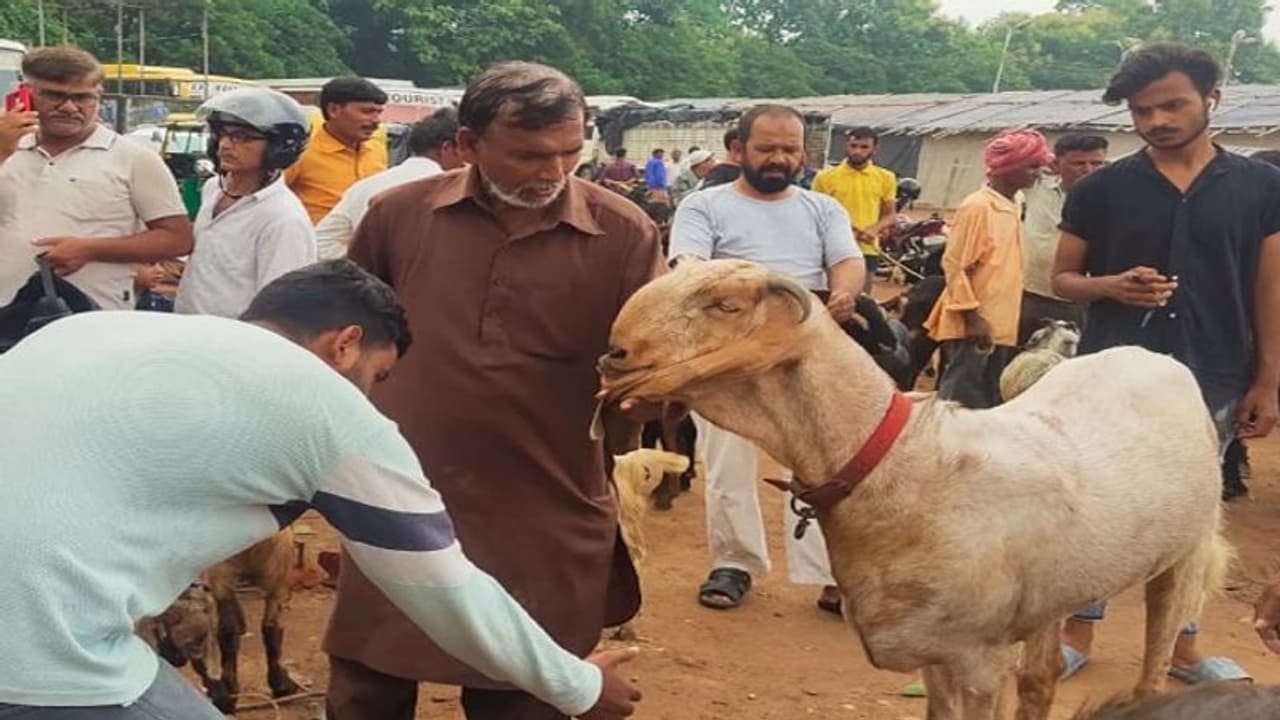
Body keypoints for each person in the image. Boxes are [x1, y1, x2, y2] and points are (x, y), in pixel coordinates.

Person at [0, 259, 642, 720]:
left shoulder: (84, 331)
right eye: (378, 375)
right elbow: (446, 590)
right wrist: (578, 686)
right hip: (47, 657)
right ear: (346, 345)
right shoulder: (325, 406)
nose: (369, 393)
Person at [323, 61, 665, 720]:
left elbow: (648, 364)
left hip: (547, 499)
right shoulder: (398, 216)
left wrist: (646, 396)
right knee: (369, 682)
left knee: (528, 693)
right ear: (470, 144)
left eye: (570, 152)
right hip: (405, 492)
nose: (554, 172)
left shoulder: (624, 233)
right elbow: (346, 334)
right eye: (530, 155)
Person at [1052, 42, 1279, 686]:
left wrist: (1266, 380)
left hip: (1214, 374)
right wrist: (1110, 286)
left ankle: (1182, 651)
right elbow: (1064, 277)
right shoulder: (1100, 189)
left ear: (1212, 99)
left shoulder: (1263, 188)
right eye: (1142, 111)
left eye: (1172, 105)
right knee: (1095, 503)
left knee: (1193, 514)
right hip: (1111, 378)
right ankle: (1077, 633)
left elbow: (1270, 286)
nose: (1156, 121)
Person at [668, 104, 864, 615]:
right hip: (726, 351)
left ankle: (831, 574)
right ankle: (734, 563)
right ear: (738, 150)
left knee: (821, 462)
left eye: (790, 149)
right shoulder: (703, 206)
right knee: (727, 462)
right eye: (767, 148)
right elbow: (687, 266)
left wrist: (843, 293)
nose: (779, 158)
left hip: (807, 346)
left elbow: (847, 262)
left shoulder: (822, 209)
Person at [0, 46, 192, 310]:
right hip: (6, 315)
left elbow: (177, 239)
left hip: (94, 319)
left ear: (99, 97)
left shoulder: (134, 158)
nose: (69, 107)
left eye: (82, 98)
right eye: (54, 95)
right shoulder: (7, 149)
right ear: (26, 93)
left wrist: (89, 249)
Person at [923, 129, 1051, 409]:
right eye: (1031, 166)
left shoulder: (1015, 202)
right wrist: (973, 317)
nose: (1037, 173)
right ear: (1008, 167)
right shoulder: (978, 207)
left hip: (1001, 319)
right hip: (977, 322)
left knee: (986, 395)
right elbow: (956, 266)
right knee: (959, 396)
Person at [174, 87, 316, 318]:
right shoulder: (213, 189)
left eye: (242, 137)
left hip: (234, 340)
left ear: (278, 147)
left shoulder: (283, 219)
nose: (225, 145)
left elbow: (279, 303)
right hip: (189, 328)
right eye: (221, 134)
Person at [315, 107, 464, 259]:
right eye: (469, 147)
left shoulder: (365, 186)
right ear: (448, 148)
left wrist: (362, 268)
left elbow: (322, 242)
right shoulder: (450, 192)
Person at [1017, 133, 1106, 345]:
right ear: (1056, 164)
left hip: (1075, 303)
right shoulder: (1035, 188)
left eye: (1097, 163)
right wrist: (1042, 160)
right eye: (1078, 163)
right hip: (1029, 295)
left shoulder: (1111, 199)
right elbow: (1004, 165)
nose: (1088, 170)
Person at [284, 76, 388, 224]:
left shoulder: (376, 149)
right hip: (316, 243)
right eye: (367, 112)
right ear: (334, 110)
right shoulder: (301, 151)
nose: (376, 120)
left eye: (379, 112)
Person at [812, 127, 897, 290]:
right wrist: (843, 229)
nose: (857, 151)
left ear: (875, 149)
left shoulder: (886, 177)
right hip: (831, 248)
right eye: (854, 145)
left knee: (861, 302)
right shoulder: (825, 177)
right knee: (827, 298)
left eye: (864, 147)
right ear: (847, 146)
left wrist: (874, 229)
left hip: (867, 249)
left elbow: (890, 215)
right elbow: (814, 213)